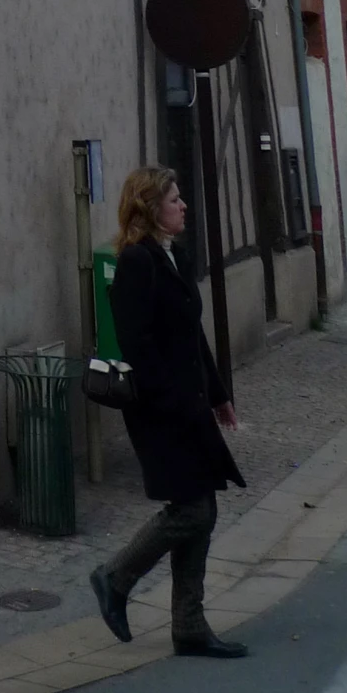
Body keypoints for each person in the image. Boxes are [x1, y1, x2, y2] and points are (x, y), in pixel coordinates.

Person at [89, 164, 247, 659]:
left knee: (201, 507)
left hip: (190, 404)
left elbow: (192, 334)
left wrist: (218, 394)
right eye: (174, 199)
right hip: (161, 410)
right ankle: (115, 577)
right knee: (193, 508)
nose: (182, 206)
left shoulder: (169, 256)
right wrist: (174, 403)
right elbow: (136, 342)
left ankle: (189, 625)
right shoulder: (138, 262)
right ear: (149, 207)